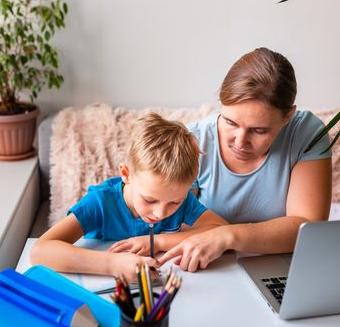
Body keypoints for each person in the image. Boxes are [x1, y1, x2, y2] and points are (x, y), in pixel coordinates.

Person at [158, 47, 333, 272]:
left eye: (259, 130)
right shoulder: (193, 143)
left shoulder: (306, 133)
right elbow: (174, 224)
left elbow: (308, 227)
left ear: (288, 116)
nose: (240, 142)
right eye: (230, 122)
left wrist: (227, 235)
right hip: (212, 269)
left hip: (281, 268)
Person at [30, 113, 226, 281]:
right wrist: (113, 264)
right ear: (126, 174)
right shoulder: (100, 203)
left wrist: (159, 242)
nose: (160, 212)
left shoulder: (182, 200)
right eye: (150, 200)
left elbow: (220, 230)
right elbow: (40, 252)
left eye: (174, 202)